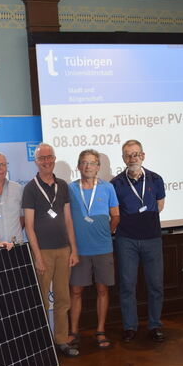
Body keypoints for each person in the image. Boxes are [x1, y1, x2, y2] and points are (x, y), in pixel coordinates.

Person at [22, 143, 80, 357]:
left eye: (49, 157)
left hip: (63, 250)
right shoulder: (30, 188)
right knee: (43, 300)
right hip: (43, 252)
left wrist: (74, 250)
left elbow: (68, 219)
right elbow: (29, 225)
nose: (46, 161)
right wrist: (37, 256)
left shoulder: (62, 185)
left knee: (64, 298)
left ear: (54, 159)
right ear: (36, 162)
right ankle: (44, 342)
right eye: (41, 158)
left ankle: (62, 340)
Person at [110, 139, 166, 343]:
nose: (132, 158)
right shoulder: (115, 183)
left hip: (152, 239)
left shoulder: (156, 179)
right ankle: (130, 327)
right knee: (127, 285)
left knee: (156, 285)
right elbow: (113, 212)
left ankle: (155, 325)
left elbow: (160, 206)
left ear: (143, 155)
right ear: (123, 158)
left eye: (135, 154)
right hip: (127, 240)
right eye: (128, 155)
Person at [67, 149, 120, 350]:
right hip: (78, 250)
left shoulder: (108, 189)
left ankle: (100, 330)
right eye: (84, 162)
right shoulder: (70, 189)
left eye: (92, 163)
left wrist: (107, 232)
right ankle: (73, 331)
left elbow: (115, 215)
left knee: (102, 289)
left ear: (98, 167)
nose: (88, 166)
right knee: (76, 291)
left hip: (103, 248)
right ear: (79, 166)